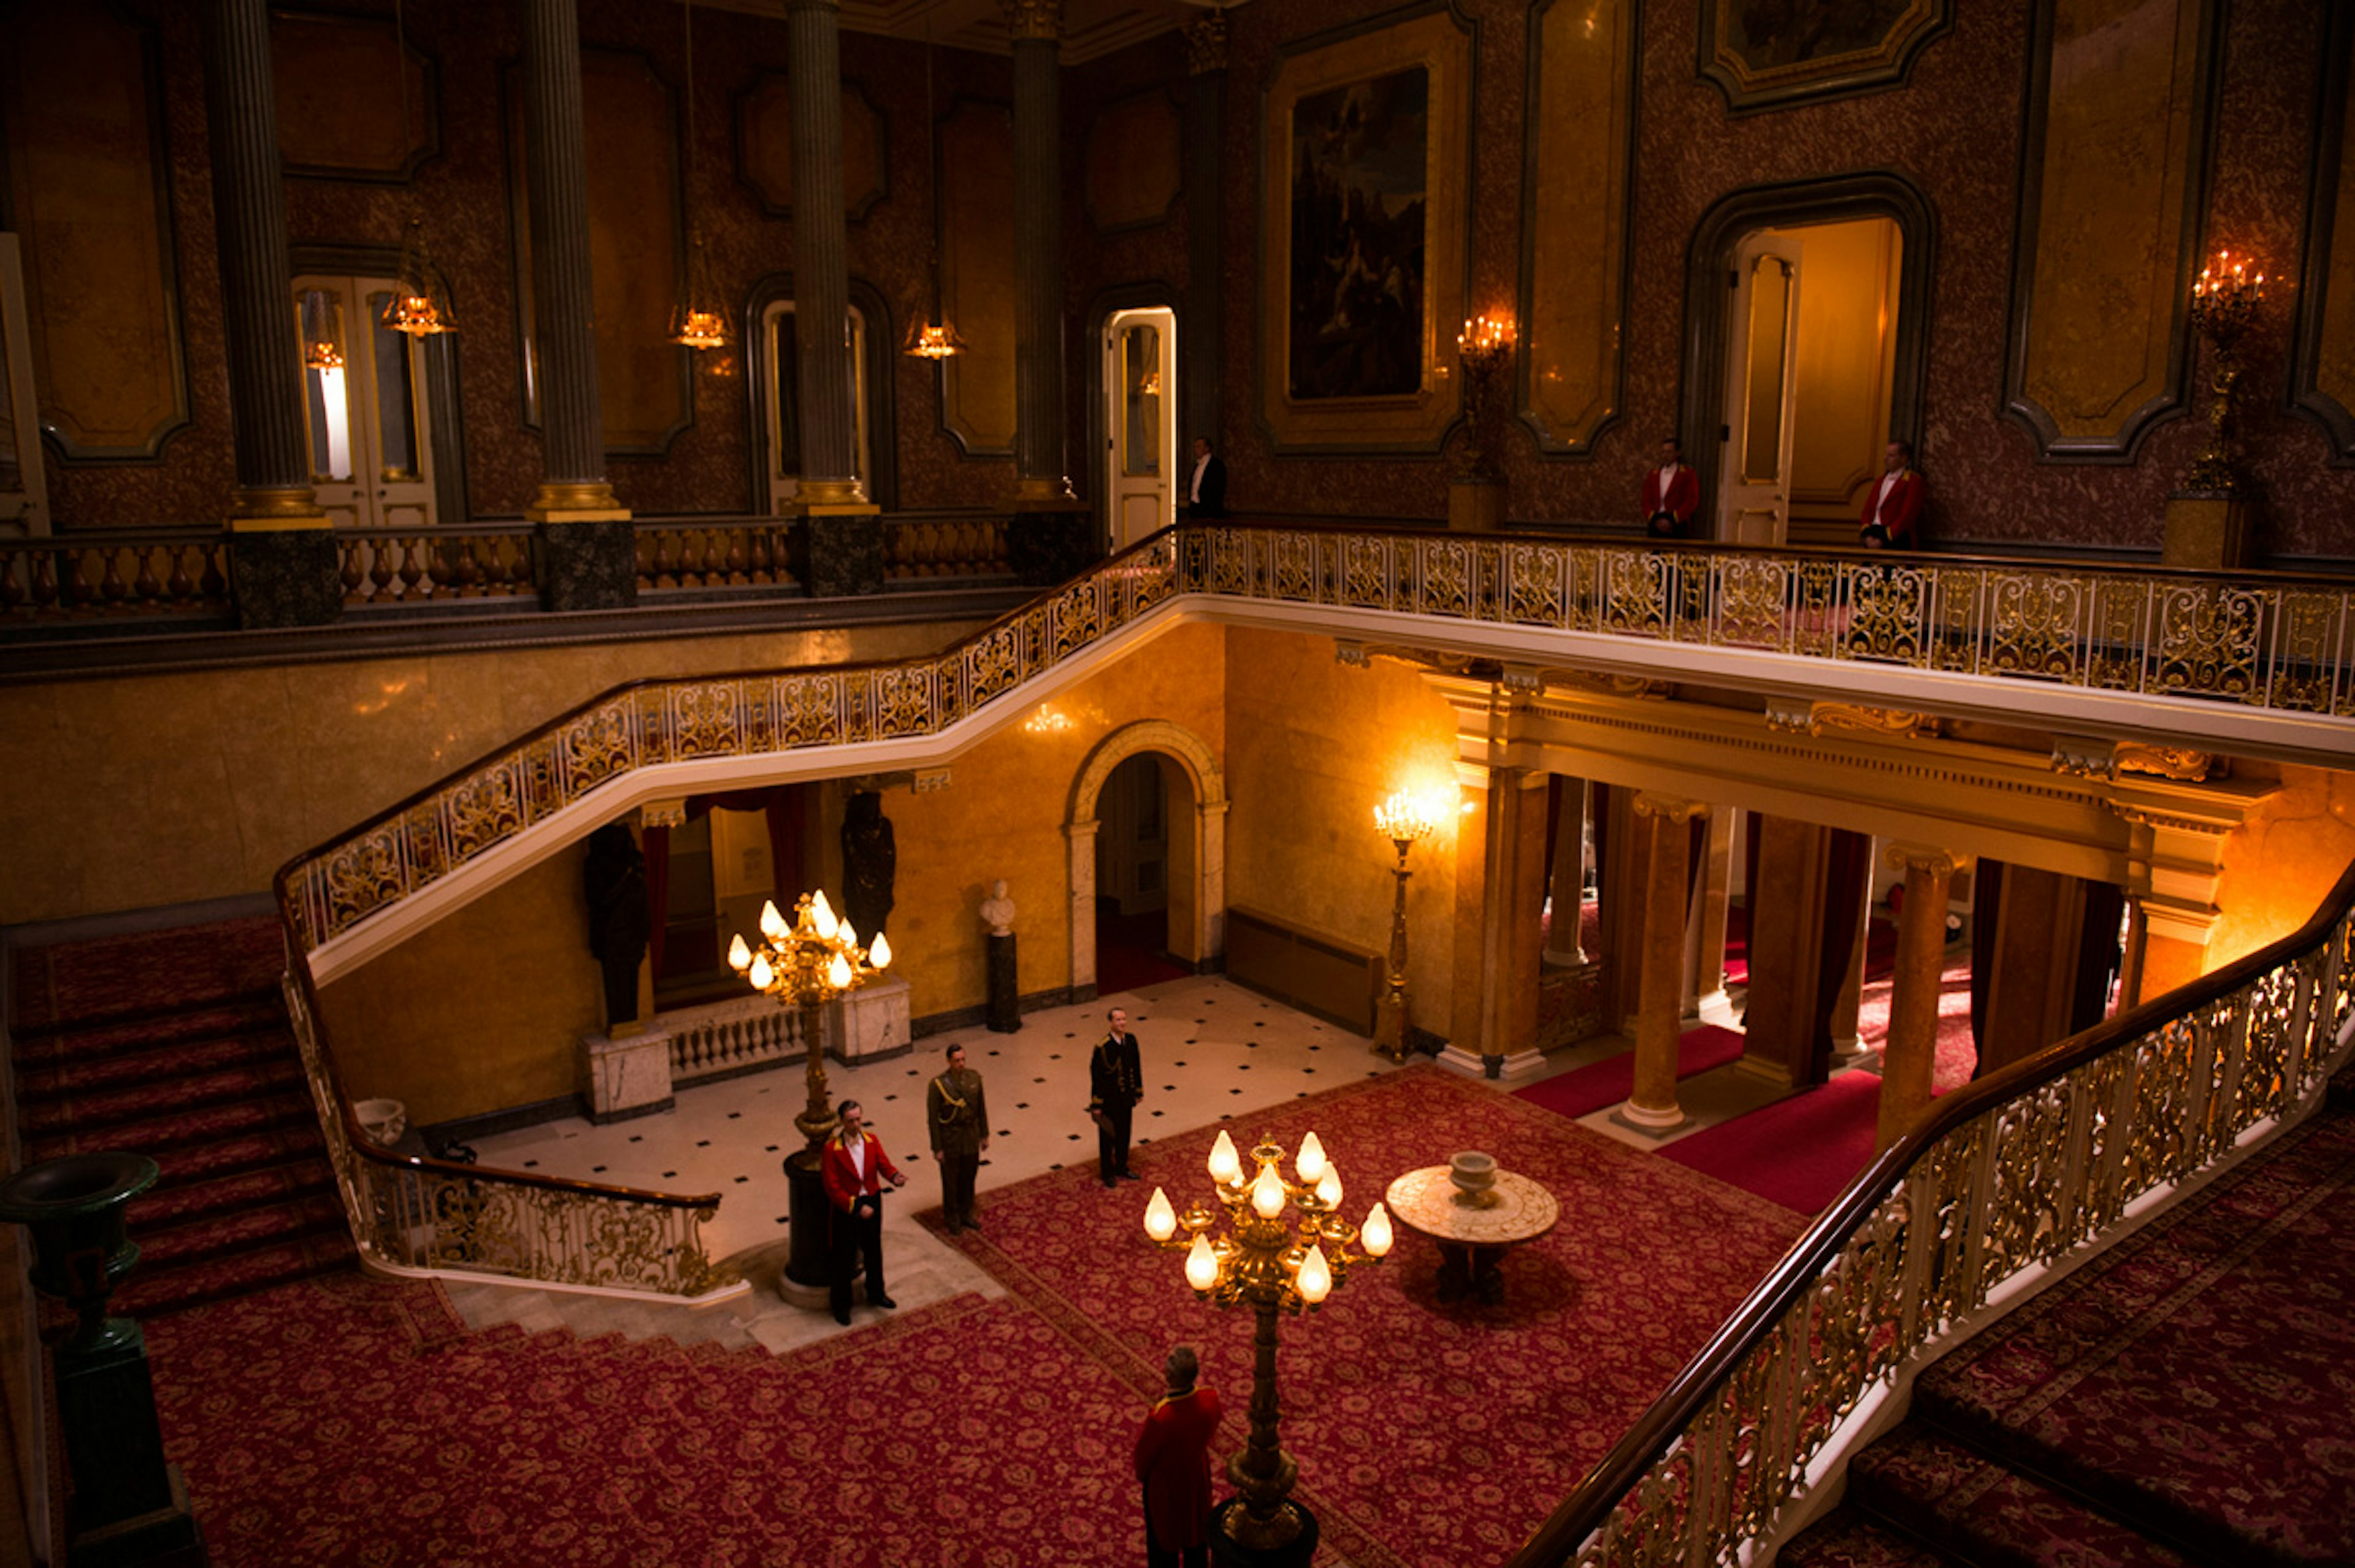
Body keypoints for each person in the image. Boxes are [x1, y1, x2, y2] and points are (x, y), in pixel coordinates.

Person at [819, 1098, 906, 1326]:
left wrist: (895, 1176)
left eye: (858, 1119)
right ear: (841, 1122)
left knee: (873, 1252)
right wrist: (857, 1207)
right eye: (850, 1121)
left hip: (873, 1201)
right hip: (847, 1208)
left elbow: (883, 1164)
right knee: (844, 1259)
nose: (856, 1125)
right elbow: (832, 1187)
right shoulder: (832, 1150)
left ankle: (877, 1293)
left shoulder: (871, 1141)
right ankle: (841, 1306)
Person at [1135, 1345, 1222, 1568]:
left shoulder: (1161, 1418)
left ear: (1169, 1376)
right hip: (1198, 1480)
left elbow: (1142, 1462)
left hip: (1166, 1489)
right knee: (1197, 1540)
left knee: (1163, 1547)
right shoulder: (1210, 1399)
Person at [927, 1042, 989, 1233]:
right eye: (956, 1061)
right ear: (949, 1061)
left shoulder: (974, 1078)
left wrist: (984, 1134)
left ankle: (966, 1212)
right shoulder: (939, 1085)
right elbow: (933, 1119)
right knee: (951, 1180)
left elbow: (981, 1109)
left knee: (969, 1176)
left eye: (963, 1060)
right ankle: (952, 1216)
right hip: (951, 1138)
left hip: (970, 1136)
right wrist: (937, 1148)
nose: (961, 1064)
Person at [1089, 1006, 1145, 1187]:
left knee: (1124, 1134)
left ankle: (1122, 1166)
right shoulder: (1103, 1047)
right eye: (1118, 1020)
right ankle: (1107, 1173)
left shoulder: (1131, 1041)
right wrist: (1096, 1104)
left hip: (1126, 1098)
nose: (1122, 1023)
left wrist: (1138, 1091)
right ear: (1111, 1023)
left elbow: (1136, 1067)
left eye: (1124, 1019)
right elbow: (1096, 1077)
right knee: (1107, 1137)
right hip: (1108, 1101)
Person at [1858, 439, 1924, 548]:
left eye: (1891, 456)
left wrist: (1885, 537)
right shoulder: (1880, 481)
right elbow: (1868, 510)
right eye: (1886, 455)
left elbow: (1907, 515)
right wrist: (1868, 536)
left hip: (1897, 539)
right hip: (1872, 535)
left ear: (1904, 458)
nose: (1886, 459)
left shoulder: (1913, 482)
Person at [1641, 437, 1699, 539]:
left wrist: (1674, 519)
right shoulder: (1653, 474)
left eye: (1669, 452)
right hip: (1656, 521)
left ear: (1678, 453)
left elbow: (1691, 501)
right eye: (1663, 452)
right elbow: (1646, 499)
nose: (1665, 456)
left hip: (1678, 523)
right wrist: (1654, 518)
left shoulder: (1687, 474)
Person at [1184, 437, 1227, 519]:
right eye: (1195, 447)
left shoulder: (1217, 465)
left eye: (1199, 447)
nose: (1196, 450)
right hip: (1195, 507)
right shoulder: (1197, 465)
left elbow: (1218, 487)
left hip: (1209, 508)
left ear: (1207, 448)